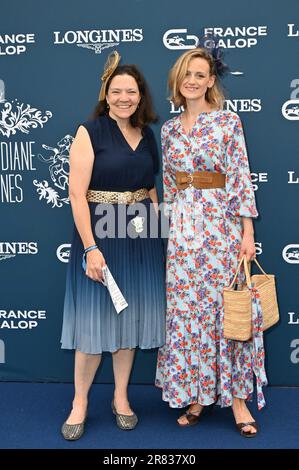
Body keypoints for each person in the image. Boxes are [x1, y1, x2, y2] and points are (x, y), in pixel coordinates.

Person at [155, 45, 267, 437]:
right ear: (177, 80)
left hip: (220, 228)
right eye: (187, 73)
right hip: (184, 234)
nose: (192, 80)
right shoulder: (168, 130)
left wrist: (247, 233)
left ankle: (238, 402)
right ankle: (198, 395)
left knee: (226, 312)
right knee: (188, 314)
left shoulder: (227, 122)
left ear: (211, 81)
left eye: (200, 74)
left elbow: (239, 177)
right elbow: (169, 187)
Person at [60, 51, 165, 440]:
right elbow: (76, 194)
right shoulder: (89, 131)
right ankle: (80, 402)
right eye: (117, 91)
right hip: (101, 235)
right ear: (106, 95)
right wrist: (90, 248)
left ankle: (121, 397)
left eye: (131, 91)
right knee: (92, 324)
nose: (124, 97)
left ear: (140, 97)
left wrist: (161, 235)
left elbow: (151, 188)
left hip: (140, 237)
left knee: (129, 319)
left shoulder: (148, 134)